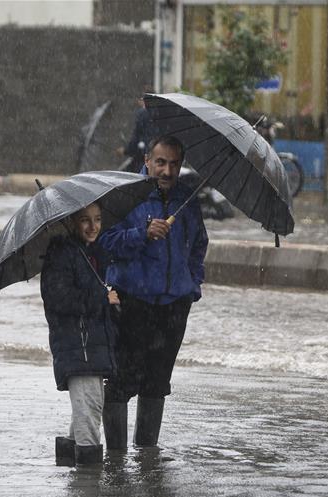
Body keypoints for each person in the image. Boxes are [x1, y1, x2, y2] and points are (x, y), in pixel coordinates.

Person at [99, 135, 208, 449]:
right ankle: (116, 456)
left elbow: (199, 244)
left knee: (157, 383)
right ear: (147, 161)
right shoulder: (125, 196)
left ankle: (147, 454)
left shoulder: (187, 200)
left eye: (174, 164)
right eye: (161, 162)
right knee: (121, 381)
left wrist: (192, 284)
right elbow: (104, 244)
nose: (167, 170)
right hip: (131, 300)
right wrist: (141, 233)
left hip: (174, 304)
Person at [40, 201, 120, 466]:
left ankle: (69, 464)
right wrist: (102, 297)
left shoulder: (90, 254)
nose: (93, 226)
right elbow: (59, 299)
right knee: (89, 413)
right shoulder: (61, 254)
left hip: (91, 347)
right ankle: (88, 485)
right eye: (85, 220)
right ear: (72, 222)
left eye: (97, 219)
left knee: (87, 411)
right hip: (79, 348)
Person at [116, 88, 155, 174]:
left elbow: (136, 138)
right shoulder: (159, 114)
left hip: (142, 158)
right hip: (155, 157)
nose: (138, 102)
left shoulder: (142, 113)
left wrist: (125, 150)